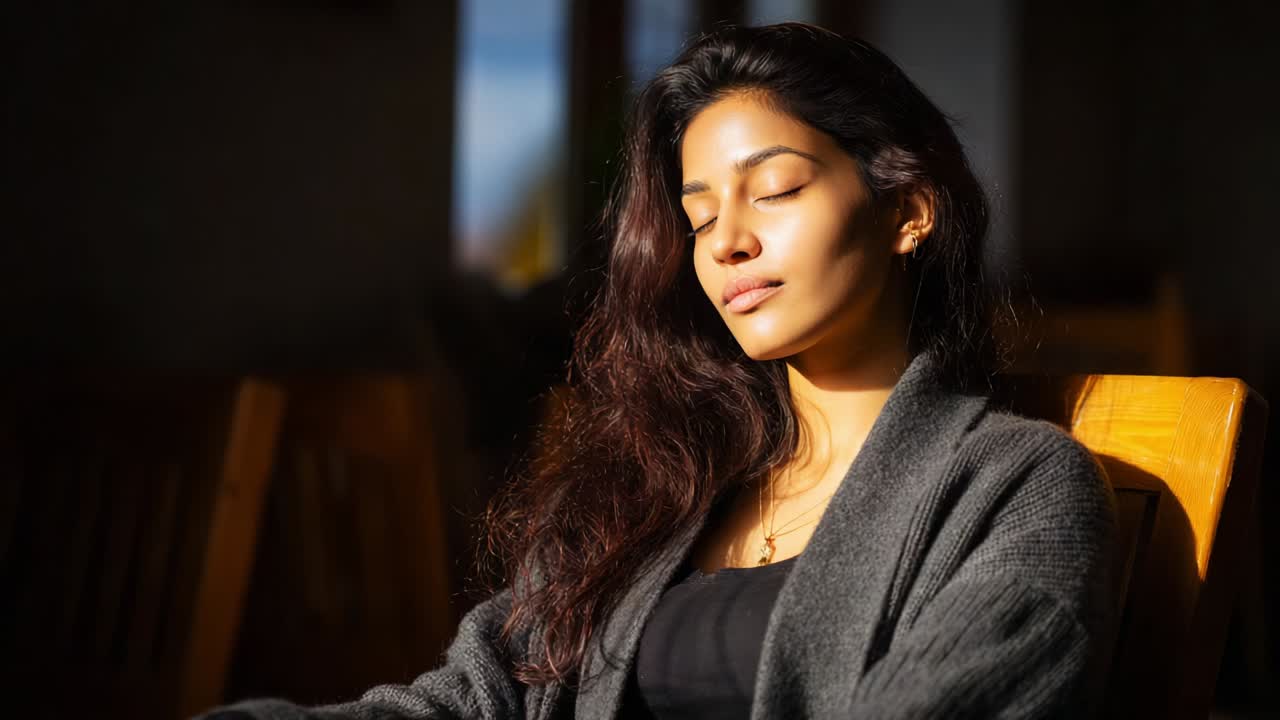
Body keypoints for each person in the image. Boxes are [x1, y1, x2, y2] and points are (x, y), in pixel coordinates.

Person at [201, 22, 1118, 720]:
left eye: (777, 189)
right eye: (698, 212)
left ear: (908, 210)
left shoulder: (1017, 485)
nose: (728, 242)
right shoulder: (670, 471)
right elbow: (475, 701)